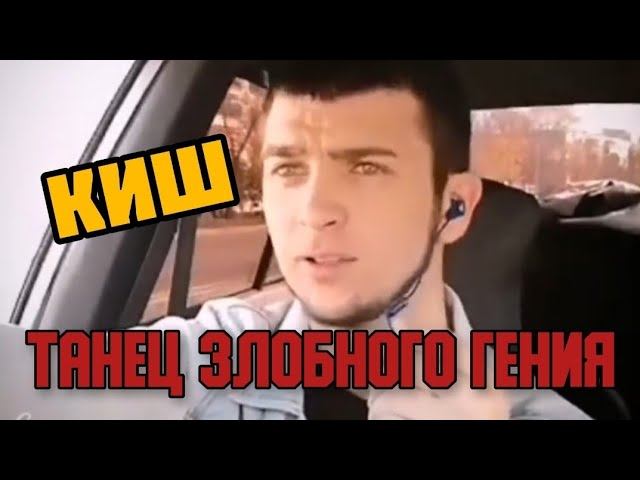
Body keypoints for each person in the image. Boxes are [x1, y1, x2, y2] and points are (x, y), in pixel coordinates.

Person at [150, 60, 591, 420]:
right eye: (288, 168)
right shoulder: (215, 350)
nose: (314, 212)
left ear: (453, 207)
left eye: (367, 168)